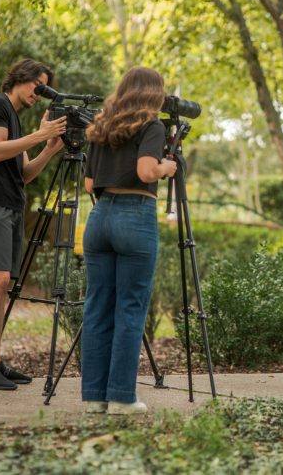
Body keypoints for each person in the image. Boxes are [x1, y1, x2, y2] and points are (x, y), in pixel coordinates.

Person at [0, 58, 67, 390]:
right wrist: (40, 134)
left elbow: (24, 175)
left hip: (11, 204)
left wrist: (49, 148)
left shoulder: (16, 121)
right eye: (38, 85)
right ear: (20, 79)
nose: (40, 93)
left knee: (4, 281)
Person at [81, 67, 177, 415]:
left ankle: (94, 397)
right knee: (130, 307)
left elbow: (90, 185)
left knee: (97, 307)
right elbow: (146, 171)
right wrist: (168, 166)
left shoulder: (101, 126)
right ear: (154, 93)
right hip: (135, 215)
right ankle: (122, 397)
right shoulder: (152, 125)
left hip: (100, 217)